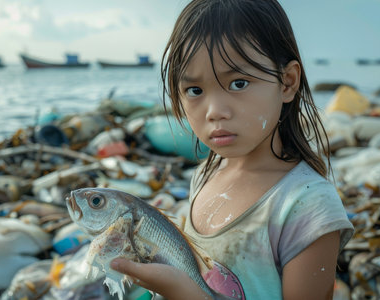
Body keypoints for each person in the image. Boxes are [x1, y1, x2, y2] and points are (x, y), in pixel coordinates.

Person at [110, 0, 354, 299]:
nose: (215, 111)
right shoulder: (204, 175)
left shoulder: (306, 206)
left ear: (287, 82)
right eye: (195, 90)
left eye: (239, 83)